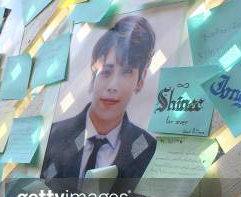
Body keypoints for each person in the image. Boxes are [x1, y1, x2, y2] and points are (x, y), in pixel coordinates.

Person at [41, 16, 158, 184]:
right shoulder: (54, 135)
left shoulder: (147, 149)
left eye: (126, 72)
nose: (113, 86)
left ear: (141, 79)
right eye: (107, 71)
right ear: (94, 69)